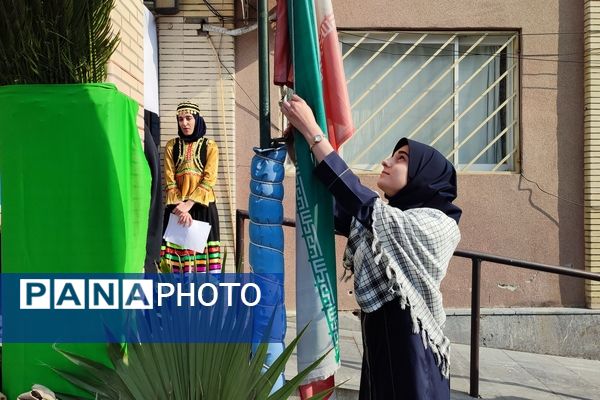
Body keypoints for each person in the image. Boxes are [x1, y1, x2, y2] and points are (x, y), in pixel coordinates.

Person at [281, 94, 461, 399]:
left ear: (424, 177)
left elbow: (364, 204)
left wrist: (315, 134)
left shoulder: (438, 224)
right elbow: (339, 209)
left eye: (401, 158)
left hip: (412, 348)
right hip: (381, 342)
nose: (387, 162)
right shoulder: (388, 220)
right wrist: (300, 152)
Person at [160, 101, 222, 274]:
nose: (185, 123)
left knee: (205, 267)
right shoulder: (172, 146)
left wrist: (188, 205)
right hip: (177, 209)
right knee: (178, 266)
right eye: (180, 119)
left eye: (188, 118)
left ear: (197, 119)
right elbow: (169, 180)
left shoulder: (210, 146)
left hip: (203, 208)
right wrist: (181, 207)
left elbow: (209, 179)